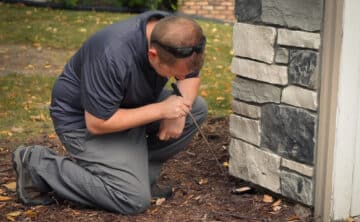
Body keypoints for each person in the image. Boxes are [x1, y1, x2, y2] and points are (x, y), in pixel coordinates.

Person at [12, 10, 207, 215]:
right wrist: (161, 110)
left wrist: (180, 112)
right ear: (153, 55)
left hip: (130, 106)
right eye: (175, 74)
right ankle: (37, 165)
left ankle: (139, 172)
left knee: (197, 107)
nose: (180, 78)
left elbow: (190, 75)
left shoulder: (178, 34)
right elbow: (97, 123)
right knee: (132, 199)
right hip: (82, 121)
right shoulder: (111, 54)